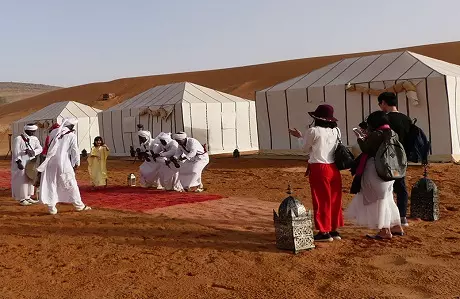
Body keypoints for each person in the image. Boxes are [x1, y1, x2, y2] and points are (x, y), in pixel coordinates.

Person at [288, 104, 343, 242]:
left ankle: (324, 232)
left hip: (319, 168)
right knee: (334, 199)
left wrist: (300, 137)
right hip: (334, 168)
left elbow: (304, 149)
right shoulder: (336, 130)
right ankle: (333, 229)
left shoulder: (313, 131)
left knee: (321, 199)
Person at [345, 111, 404, 239]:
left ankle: (384, 230)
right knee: (387, 197)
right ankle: (395, 226)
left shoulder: (377, 134)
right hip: (389, 170)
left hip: (376, 169)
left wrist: (360, 138)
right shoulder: (392, 133)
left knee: (378, 199)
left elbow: (366, 149)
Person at [36, 118, 91, 215]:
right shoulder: (71, 135)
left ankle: (52, 208)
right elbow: (74, 150)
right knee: (70, 183)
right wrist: (76, 163)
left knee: (51, 183)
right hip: (63, 163)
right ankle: (79, 206)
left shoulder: (53, 132)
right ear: (72, 126)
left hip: (50, 163)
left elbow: (48, 145)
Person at [378, 92, 412, 227]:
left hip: (387, 158)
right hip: (402, 158)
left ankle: (390, 216)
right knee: (401, 186)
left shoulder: (384, 119)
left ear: (384, 103)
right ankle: (402, 216)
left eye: (380, 103)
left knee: (387, 187)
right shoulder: (406, 119)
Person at [11, 124, 43, 206]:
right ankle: (22, 199)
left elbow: (40, 148)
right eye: (32, 131)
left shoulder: (35, 139)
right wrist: (18, 162)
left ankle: (28, 197)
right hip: (21, 162)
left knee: (30, 178)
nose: (33, 133)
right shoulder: (18, 139)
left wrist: (34, 152)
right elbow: (15, 152)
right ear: (26, 130)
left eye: (34, 131)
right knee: (22, 180)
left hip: (31, 162)